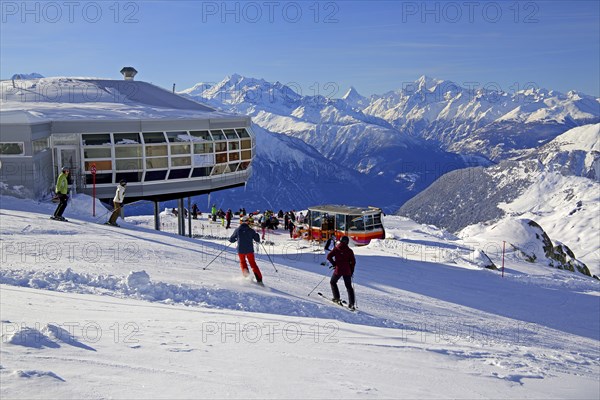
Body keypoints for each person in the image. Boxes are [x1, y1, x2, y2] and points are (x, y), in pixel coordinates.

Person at [229, 216, 263, 284]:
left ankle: (247, 277)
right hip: (249, 250)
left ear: (240, 222)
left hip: (241, 250)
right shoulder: (251, 230)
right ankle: (259, 280)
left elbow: (231, 240)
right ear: (248, 222)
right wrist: (257, 235)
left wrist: (236, 238)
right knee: (253, 264)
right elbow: (257, 240)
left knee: (243, 262)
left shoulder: (237, 230)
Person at [327, 236, 356, 310]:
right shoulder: (349, 251)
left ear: (340, 241)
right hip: (347, 271)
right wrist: (351, 271)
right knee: (349, 287)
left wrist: (334, 264)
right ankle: (351, 304)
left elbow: (329, 256)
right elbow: (353, 262)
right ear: (347, 242)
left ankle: (336, 298)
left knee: (333, 282)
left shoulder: (336, 248)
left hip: (338, 270)